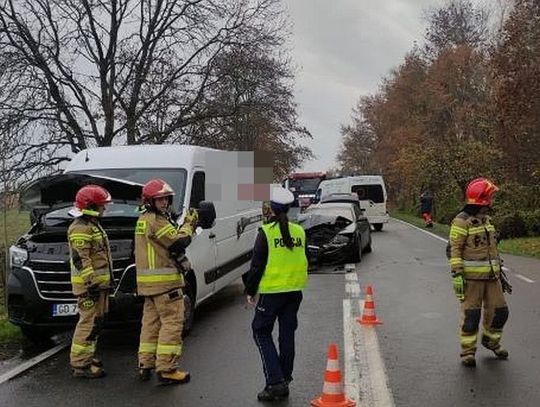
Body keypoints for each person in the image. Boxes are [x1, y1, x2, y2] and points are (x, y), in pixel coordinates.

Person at [244, 186, 308, 402]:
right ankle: (285, 378)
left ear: (270, 208)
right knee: (287, 336)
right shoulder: (299, 231)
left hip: (272, 293)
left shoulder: (266, 233)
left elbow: (256, 266)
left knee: (260, 332)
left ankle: (274, 382)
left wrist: (250, 291)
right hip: (294, 292)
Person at [135, 179, 199, 384]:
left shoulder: (143, 219)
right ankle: (167, 369)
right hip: (166, 285)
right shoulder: (157, 221)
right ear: (150, 201)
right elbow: (179, 242)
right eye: (159, 199)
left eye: (165, 198)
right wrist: (189, 224)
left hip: (148, 286)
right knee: (172, 324)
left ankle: (145, 364)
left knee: (150, 325)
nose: (164, 203)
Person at [448, 178, 509, 367]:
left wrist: (499, 271)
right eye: (489, 197)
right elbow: (454, 249)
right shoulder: (461, 221)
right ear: (482, 200)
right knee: (471, 316)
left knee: (500, 312)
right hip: (471, 280)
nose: (491, 200)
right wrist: (457, 274)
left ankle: (491, 342)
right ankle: (468, 352)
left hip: (492, 278)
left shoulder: (487, 220)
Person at [68, 185, 113, 378]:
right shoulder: (80, 227)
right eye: (102, 205)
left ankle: (88, 356)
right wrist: (91, 283)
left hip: (99, 286)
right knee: (88, 322)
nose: (105, 208)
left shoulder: (92, 224)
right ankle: (80, 365)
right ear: (91, 206)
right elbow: (81, 259)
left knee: (97, 322)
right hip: (89, 287)